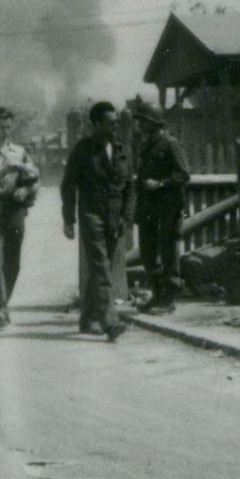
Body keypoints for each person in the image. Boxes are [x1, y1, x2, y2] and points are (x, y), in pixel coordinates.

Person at [61, 101, 135, 341]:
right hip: (91, 215)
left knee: (101, 270)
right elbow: (68, 185)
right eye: (110, 122)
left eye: (116, 122)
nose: (115, 126)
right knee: (102, 270)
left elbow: (129, 188)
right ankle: (110, 322)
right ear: (95, 124)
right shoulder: (83, 150)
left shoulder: (122, 150)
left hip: (114, 218)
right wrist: (68, 219)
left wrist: (126, 217)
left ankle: (87, 319)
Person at [0, 106, 40, 328]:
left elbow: (35, 176)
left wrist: (26, 190)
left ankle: (2, 303)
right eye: (1, 127)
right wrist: (4, 170)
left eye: (8, 127)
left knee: (13, 263)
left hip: (14, 209)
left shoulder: (20, 152)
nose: (5, 131)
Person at [132, 102, 190, 313]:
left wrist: (160, 184)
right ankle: (157, 295)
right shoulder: (146, 145)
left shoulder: (170, 144)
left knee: (168, 252)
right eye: (140, 121)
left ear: (155, 123)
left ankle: (169, 300)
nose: (140, 125)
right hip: (148, 207)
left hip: (168, 207)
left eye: (144, 121)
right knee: (148, 252)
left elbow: (183, 174)